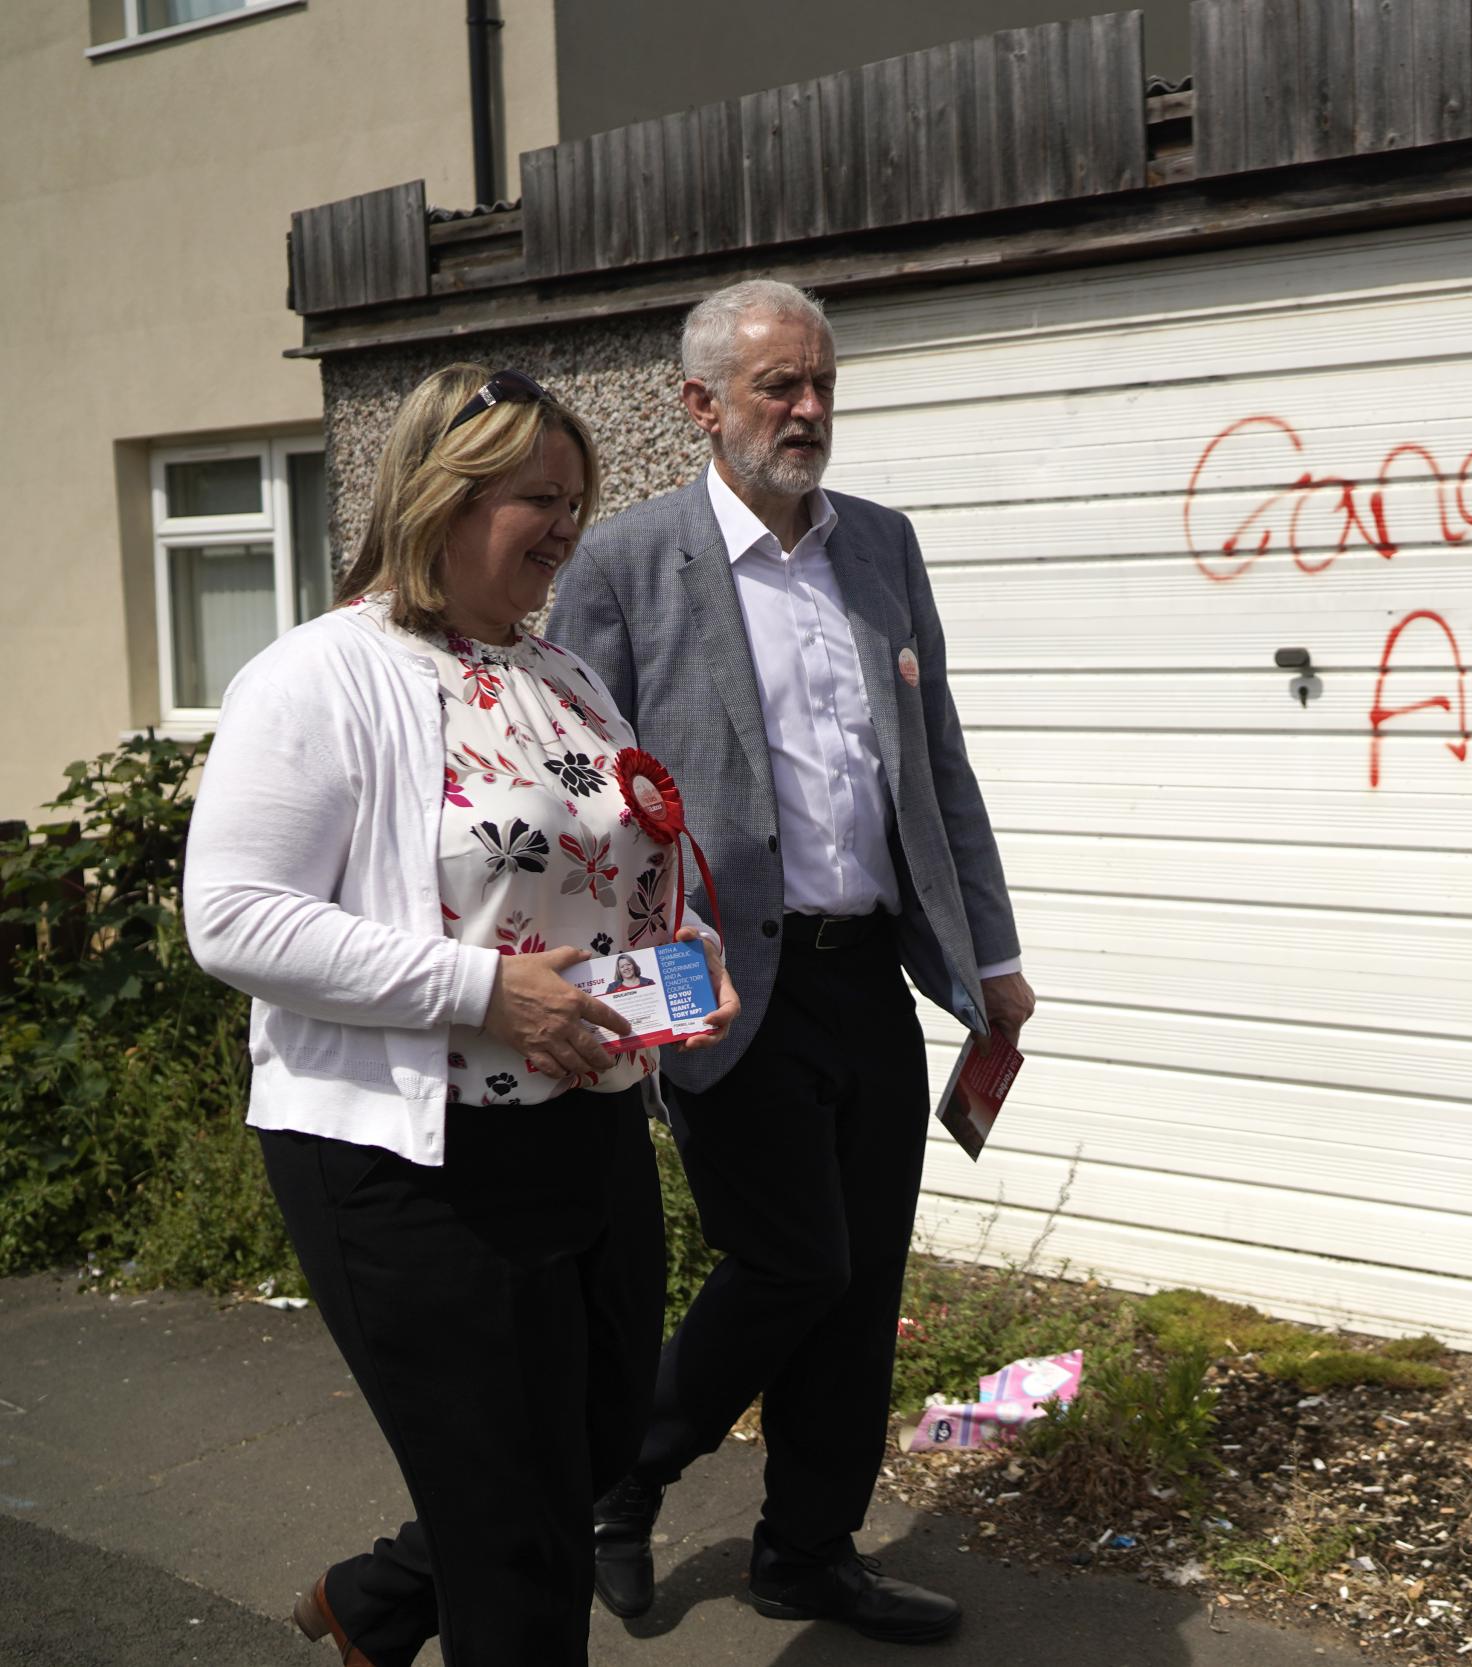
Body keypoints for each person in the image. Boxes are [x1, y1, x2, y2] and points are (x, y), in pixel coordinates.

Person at [184, 364, 739, 1667]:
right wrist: (484, 992)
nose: (565, 526)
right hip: (409, 1165)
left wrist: (677, 957)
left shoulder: (562, 677)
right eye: (537, 498)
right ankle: (428, 1599)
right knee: (521, 1541)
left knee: (597, 1444)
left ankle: (374, 1605)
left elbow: (618, 859)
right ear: (443, 496)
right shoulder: (318, 676)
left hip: (586, 1129)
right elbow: (235, 918)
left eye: (576, 500)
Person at [549, 278, 1033, 1643]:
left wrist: (987, 951)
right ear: (701, 405)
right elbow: (583, 796)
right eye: (780, 387)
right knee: (793, 1262)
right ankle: (619, 1480)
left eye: (822, 382)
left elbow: (939, 770)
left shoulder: (881, 548)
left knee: (864, 1274)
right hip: (715, 984)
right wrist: (610, 986)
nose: (811, 410)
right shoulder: (626, 567)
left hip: (867, 969)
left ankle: (808, 1549)